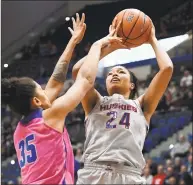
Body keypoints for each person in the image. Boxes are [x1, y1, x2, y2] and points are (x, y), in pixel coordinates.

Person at [2, 13, 123, 184]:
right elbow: (85, 81)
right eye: (41, 89)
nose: (46, 90)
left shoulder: (19, 131)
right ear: (36, 101)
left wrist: (73, 41)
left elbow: (56, 83)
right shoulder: (51, 115)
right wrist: (98, 45)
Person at [72, 19, 173, 184]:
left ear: (132, 84)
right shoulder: (94, 101)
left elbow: (167, 69)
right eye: (110, 73)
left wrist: (152, 40)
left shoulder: (142, 106)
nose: (114, 74)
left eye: (121, 72)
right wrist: (110, 47)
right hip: (93, 173)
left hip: (129, 175)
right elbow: (78, 71)